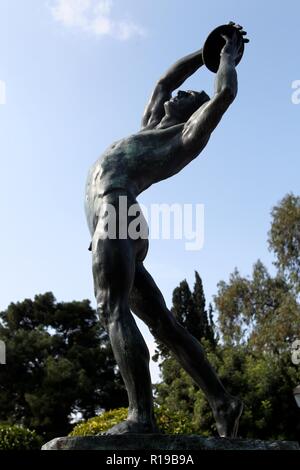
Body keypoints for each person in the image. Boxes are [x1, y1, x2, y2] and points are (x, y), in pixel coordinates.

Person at [85, 23, 249, 437]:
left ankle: (142, 417)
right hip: (118, 216)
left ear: (194, 110)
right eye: (184, 92)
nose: (181, 94)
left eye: (190, 96)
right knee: (163, 323)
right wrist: (204, 51)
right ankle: (223, 401)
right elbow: (164, 81)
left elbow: (224, 94)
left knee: (112, 308)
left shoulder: (185, 136)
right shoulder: (149, 124)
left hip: (119, 208)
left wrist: (226, 59)